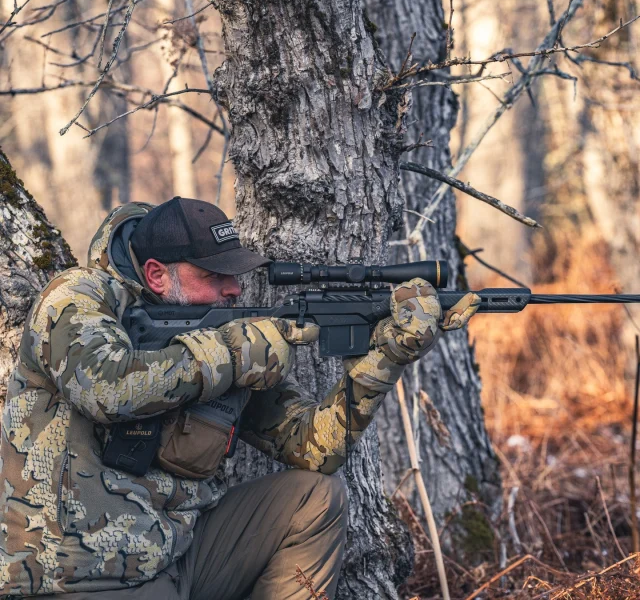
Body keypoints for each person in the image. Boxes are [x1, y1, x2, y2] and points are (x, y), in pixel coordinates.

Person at [0, 197, 481, 599]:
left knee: (314, 499)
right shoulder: (77, 298)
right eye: (214, 275)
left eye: (236, 274)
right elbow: (107, 388)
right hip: (74, 575)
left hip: (175, 559)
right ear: (156, 274)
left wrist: (387, 356)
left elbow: (316, 447)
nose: (234, 289)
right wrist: (232, 352)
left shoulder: (227, 341)